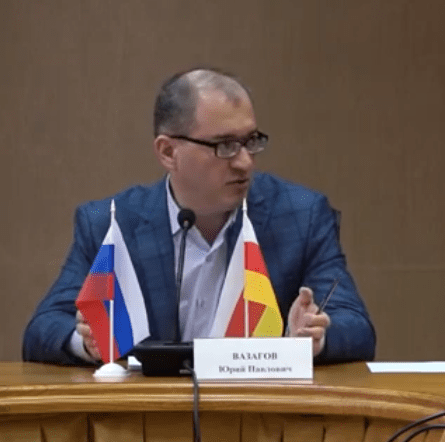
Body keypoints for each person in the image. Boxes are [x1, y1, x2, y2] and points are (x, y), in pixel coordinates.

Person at [23, 68, 376, 365]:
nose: (244, 162)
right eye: (225, 146)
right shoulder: (111, 223)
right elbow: (43, 328)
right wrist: (87, 343)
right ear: (168, 152)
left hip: (255, 413)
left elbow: (356, 326)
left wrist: (315, 337)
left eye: (251, 141)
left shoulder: (301, 215)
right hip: (149, 415)